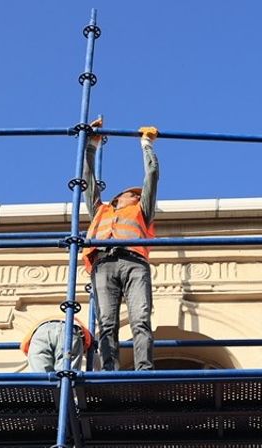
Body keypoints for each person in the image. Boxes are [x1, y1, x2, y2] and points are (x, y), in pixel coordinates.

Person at [81, 117, 159, 371]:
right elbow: (86, 178)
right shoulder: (100, 209)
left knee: (140, 319)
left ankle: (144, 369)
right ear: (118, 198)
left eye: (138, 195)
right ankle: (109, 371)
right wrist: (91, 145)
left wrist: (146, 145)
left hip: (134, 262)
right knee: (106, 323)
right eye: (131, 194)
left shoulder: (142, 210)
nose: (137, 196)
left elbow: (152, 176)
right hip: (103, 263)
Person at [20, 317, 92, 373]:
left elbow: (24, 347)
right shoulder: (75, 320)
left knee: (41, 377)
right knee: (66, 376)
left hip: (40, 331)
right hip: (71, 329)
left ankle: (47, 389)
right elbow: (88, 342)